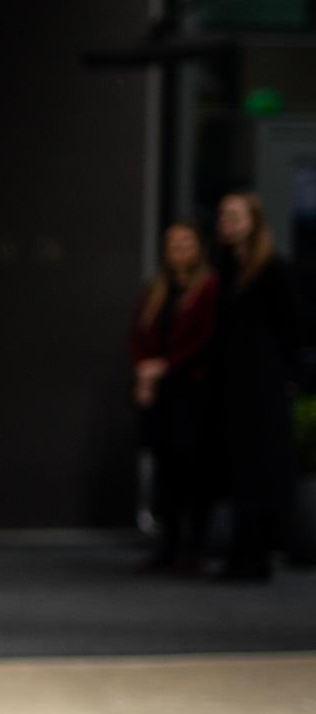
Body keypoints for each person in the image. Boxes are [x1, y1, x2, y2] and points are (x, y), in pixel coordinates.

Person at [210, 191, 302, 581]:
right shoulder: (226, 268)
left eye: (234, 215)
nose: (226, 222)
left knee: (260, 470)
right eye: (223, 215)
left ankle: (257, 553)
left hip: (264, 385)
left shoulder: (273, 268)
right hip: (233, 385)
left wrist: (289, 377)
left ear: (253, 221)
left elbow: (292, 327)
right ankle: (240, 551)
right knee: (238, 469)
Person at [128, 221, 217, 571]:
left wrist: (166, 366)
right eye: (173, 244)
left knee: (193, 468)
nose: (179, 250)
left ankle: (195, 546)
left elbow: (204, 339)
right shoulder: (156, 291)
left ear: (198, 248)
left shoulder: (208, 289)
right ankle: (169, 542)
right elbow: (139, 335)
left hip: (192, 390)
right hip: (162, 393)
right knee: (165, 467)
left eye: (185, 243)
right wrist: (144, 372)